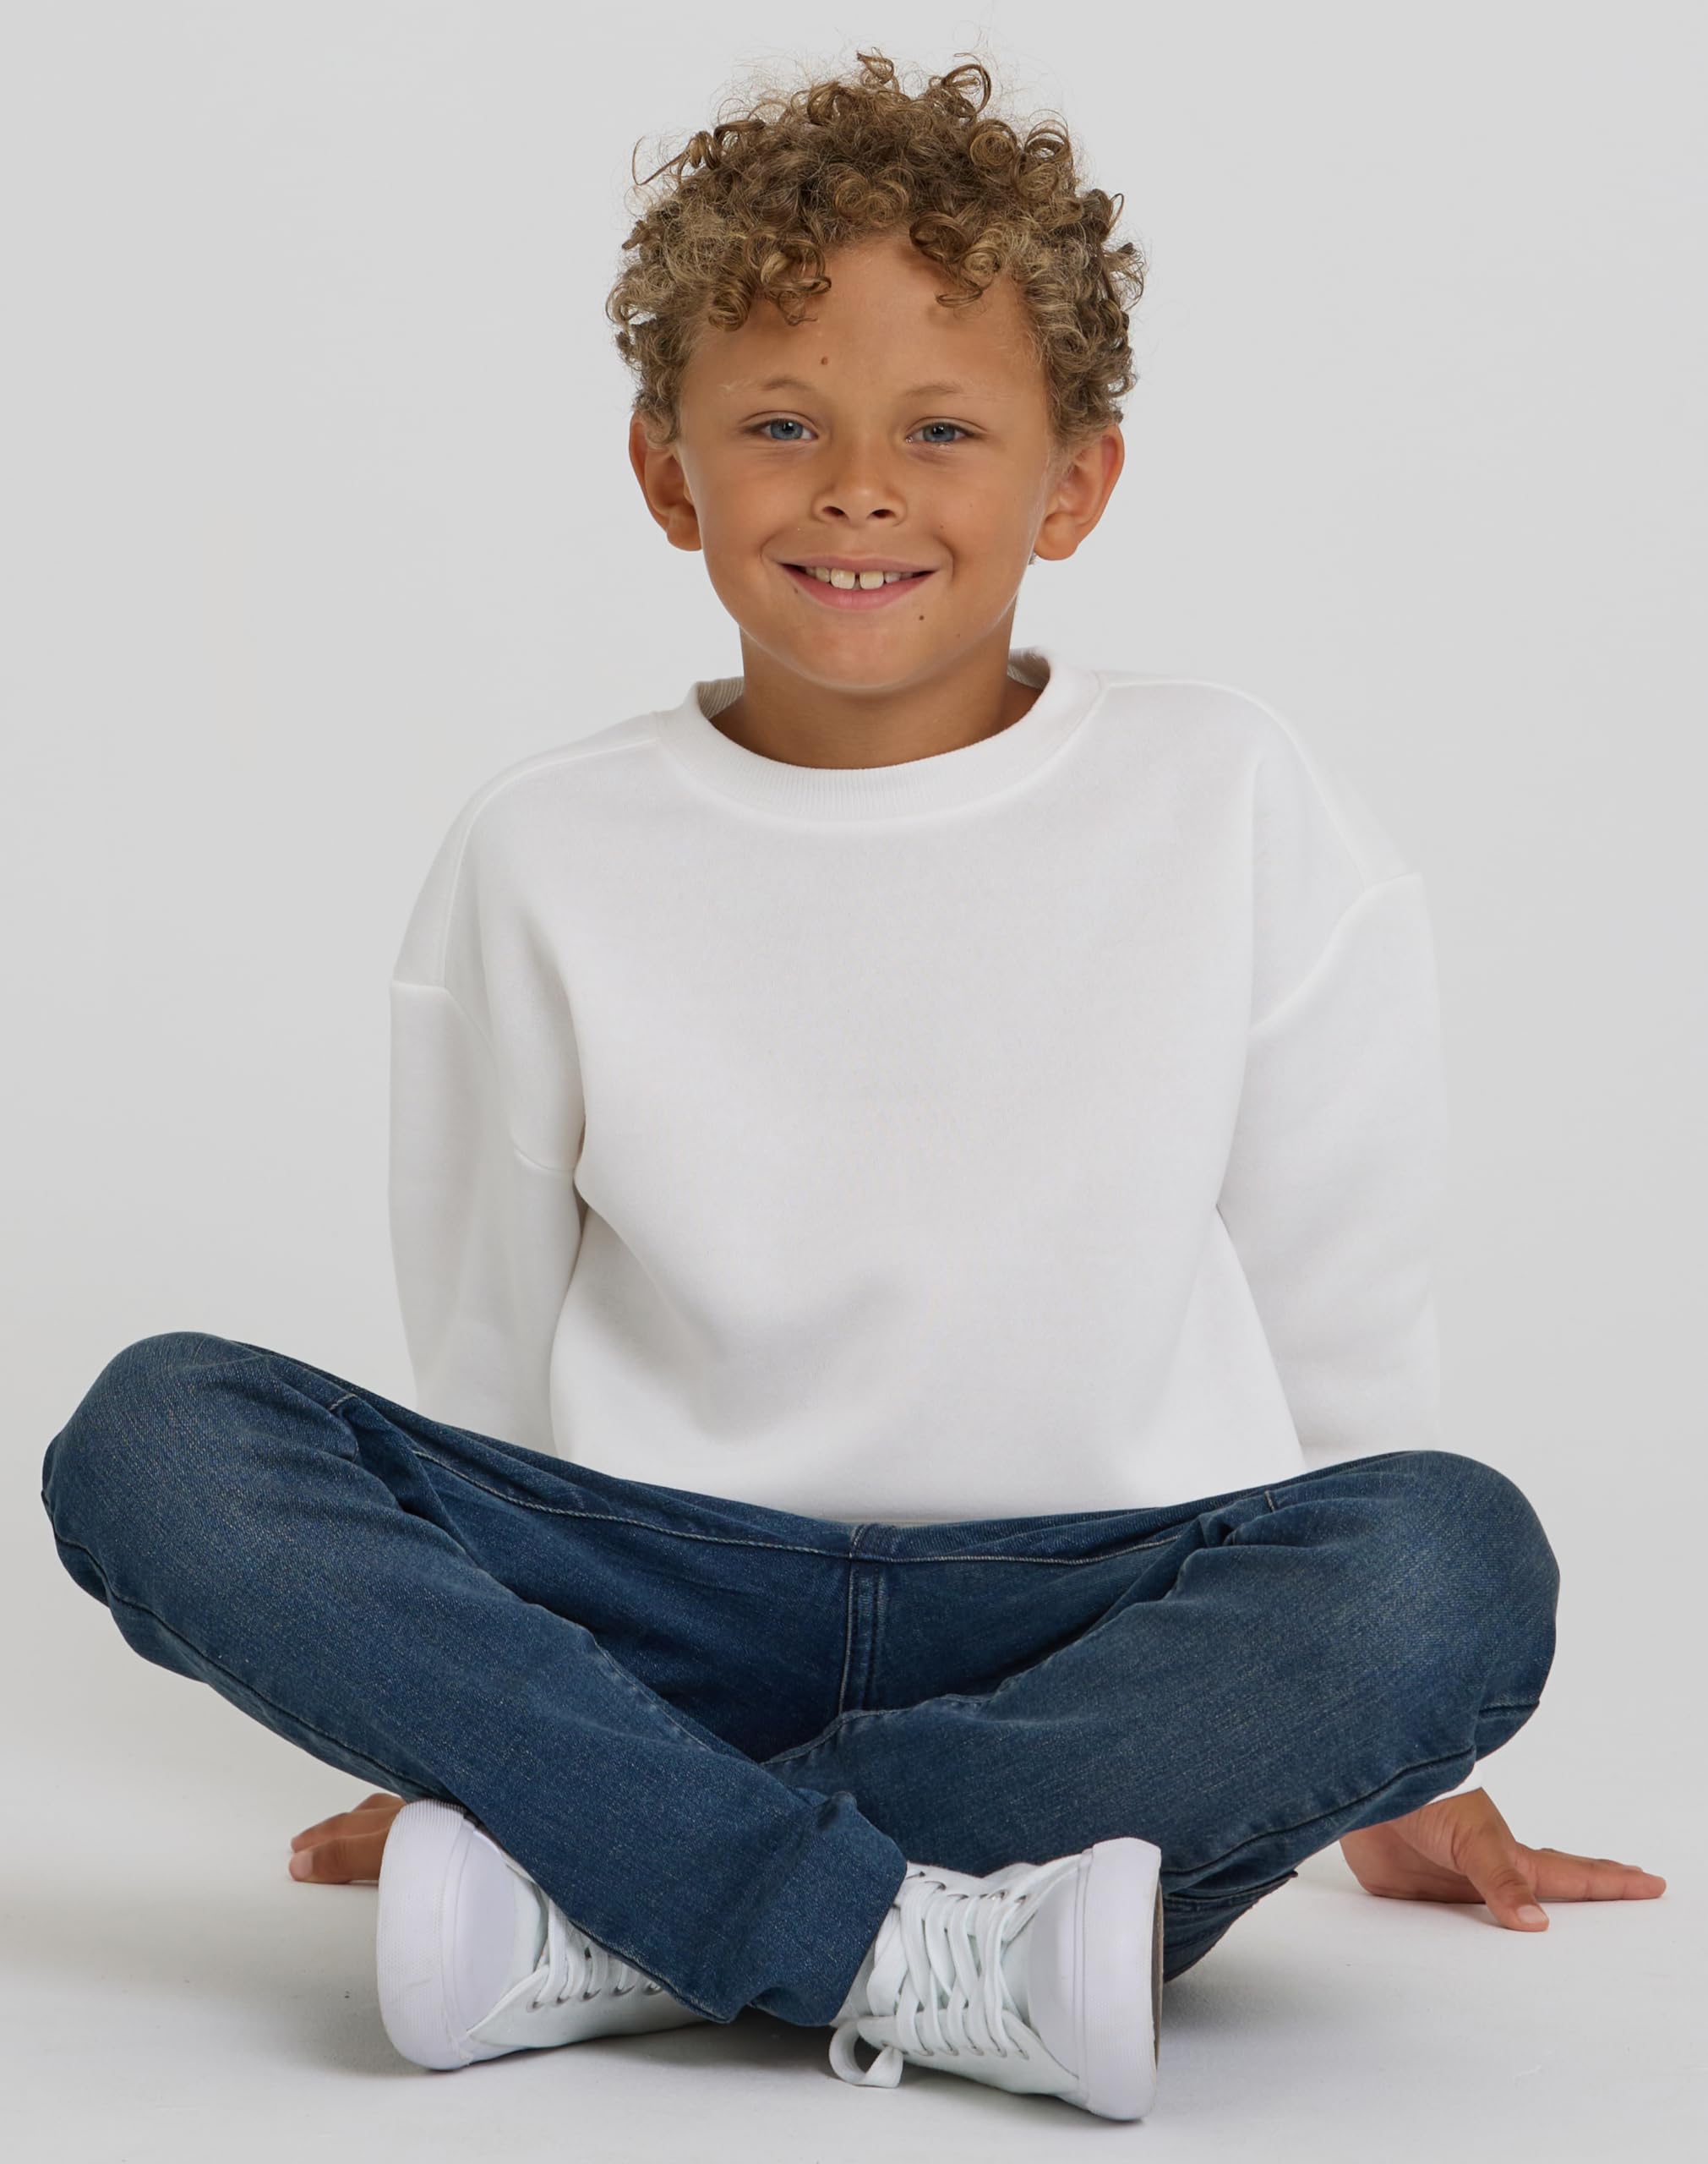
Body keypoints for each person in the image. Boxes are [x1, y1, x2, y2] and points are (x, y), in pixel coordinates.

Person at [38, 47, 1663, 2123]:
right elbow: (486, 1327)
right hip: (663, 1595)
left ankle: (617, 1889)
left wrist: (1393, 1746)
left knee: (1453, 1565)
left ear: (1074, 482)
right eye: (782, 424)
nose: (860, 487)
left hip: (1097, 1608)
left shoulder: (1232, 796)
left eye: (944, 430)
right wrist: (469, 1695)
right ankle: (932, 1937)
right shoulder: (548, 846)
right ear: (667, 472)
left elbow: (1337, 1291)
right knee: (158, 1434)